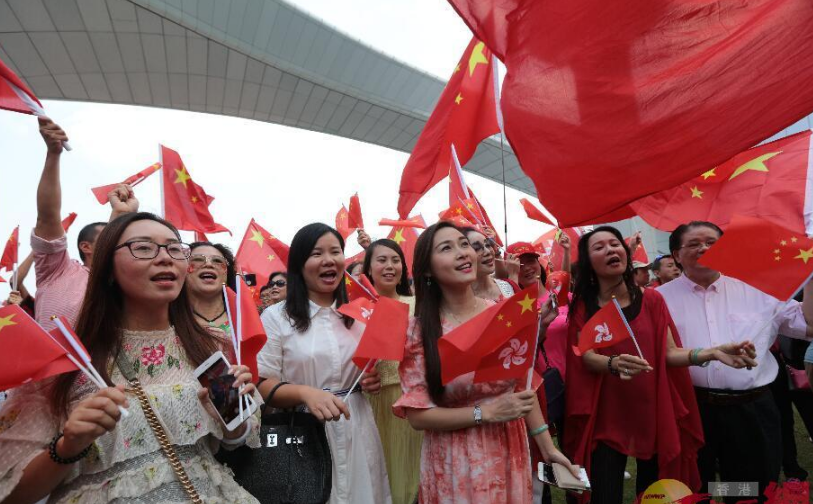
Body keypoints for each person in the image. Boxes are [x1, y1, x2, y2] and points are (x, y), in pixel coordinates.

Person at [0, 212, 259, 504]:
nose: (165, 258)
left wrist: (231, 420)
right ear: (108, 268)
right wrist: (69, 447)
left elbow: (236, 440)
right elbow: (13, 494)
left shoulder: (210, 345)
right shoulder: (68, 361)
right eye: (144, 248)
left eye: (175, 248)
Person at [566, 226, 757, 504]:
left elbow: (669, 353)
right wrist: (613, 363)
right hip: (606, 418)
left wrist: (712, 353)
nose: (610, 249)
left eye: (615, 243)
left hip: (654, 413)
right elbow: (585, 354)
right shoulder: (583, 305)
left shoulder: (652, 299)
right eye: (599, 247)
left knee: (657, 496)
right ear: (588, 261)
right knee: (603, 495)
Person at [393, 222, 576, 504]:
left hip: (509, 450)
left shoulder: (504, 314)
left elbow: (521, 385)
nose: (462, 253)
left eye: (464, 245)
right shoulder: (417, 331)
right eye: (447, 248)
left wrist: (547, 447)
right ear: (427, 269)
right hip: (454, 460)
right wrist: (485, 413)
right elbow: (418, 416)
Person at [658, 220, 813, 502]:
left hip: (751, 408)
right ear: (676, 255)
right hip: (692, 409)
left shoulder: (758, 288)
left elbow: (808, 324)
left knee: (749, 487)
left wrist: (811, 274)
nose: (704, 248)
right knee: (694, 485)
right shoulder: (658, 300)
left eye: (712, 242)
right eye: (694, 244)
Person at [257, 223, 391, 504]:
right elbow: (261, 384)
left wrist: (368, 381)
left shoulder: (359, 314)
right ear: (299, 264)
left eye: (335, 252)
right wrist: (305, 393)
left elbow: (364, 372)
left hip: (357, 424)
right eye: (317, 253)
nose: (329, 260)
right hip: (304, 431)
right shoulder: (276, 317)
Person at [32, 118, 138, 331]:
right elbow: (47, 217)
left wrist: (122, 215)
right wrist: (54, 154)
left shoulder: (125, 283)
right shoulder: (57, 270)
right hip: (53, 363)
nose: (116, 243)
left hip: (100, 365)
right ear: (86, 246)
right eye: (106, 237)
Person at [361, 239, 421, 504]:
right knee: (381, 475)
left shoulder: (418, 304)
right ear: (369, 268)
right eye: (382, 260)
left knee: (413, 474)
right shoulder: (356, 310)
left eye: (395, 260)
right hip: (373, 403)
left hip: (413, 400)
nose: (389, 266)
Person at [185, 241, 236, 333]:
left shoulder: (243, 319)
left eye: (217, 260)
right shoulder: (165, 320)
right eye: (198, 259)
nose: (208, 264)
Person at [464, 228, 518, 301]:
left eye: (488, 245)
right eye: (477, 248)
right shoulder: (461, 301)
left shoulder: (509, 286)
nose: (487, 252)